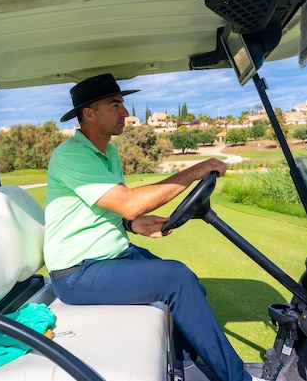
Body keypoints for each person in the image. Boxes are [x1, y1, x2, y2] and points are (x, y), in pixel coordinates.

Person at [44, 73, 263, 381]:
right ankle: (238, 379)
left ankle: (183, 365)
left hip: (114, 256)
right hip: (77, 274)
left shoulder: (109, 152)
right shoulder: (71, 155)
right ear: (89, 114)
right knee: (177, 278)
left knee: (192, 287)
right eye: (115, 104)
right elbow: (129, 202)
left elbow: (116, 209)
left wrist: (133, 225)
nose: (125, 112)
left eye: (123, 103)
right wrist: (196, 170)